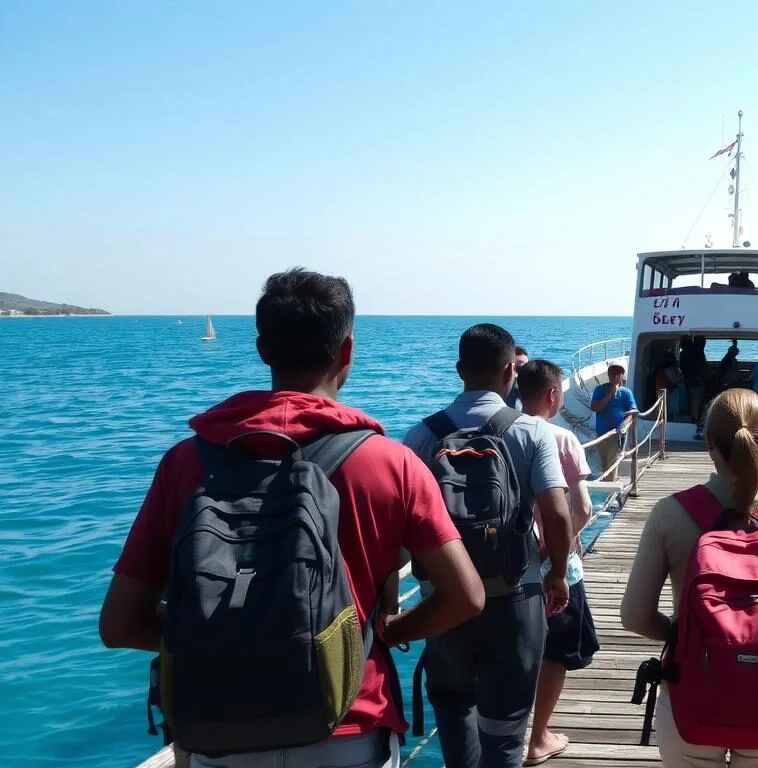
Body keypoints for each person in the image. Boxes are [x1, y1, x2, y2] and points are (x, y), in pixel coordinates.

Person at [99, 268, 486, 768]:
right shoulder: (391, 463)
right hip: (350, 727)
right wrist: (386, 633)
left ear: (262, 350)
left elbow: (119, 624)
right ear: (347, 350)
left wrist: (234, 639)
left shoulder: (185, 462)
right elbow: (466, 596)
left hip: (221, 733)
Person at [620, 388, 758, 768]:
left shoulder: (670, 514)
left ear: (708, 441)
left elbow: (634, 616)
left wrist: (698, 633)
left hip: (690, 696)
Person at [404, 324, 573, 768]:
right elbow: (557, 513)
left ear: (459, 370)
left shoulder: (421, 437)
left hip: (444, 602)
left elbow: (401, 529)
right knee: (506, 724)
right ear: (508, 374)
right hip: (515, 596)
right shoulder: (531, 433)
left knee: (453, 704)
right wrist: (557, 573)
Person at [515, 360, 600, 767]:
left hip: (510, 568)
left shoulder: (502, 432)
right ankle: (537, 738)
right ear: (552, 394)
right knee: (555, 653)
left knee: (515, 652)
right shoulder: (562, 439)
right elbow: (580, 508)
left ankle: (507, 733)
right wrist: (555, 550)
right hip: (556, 569)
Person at [589, 363, 638, 478]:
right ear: (608, 375)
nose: (616, 376)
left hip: (617, 436)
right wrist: (609, 395)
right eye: (613, 374)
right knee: (604, 467)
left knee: (611, 468)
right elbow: (595, 407)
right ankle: (608, 487)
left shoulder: (625, 392)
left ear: (622, 376)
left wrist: (624, 424)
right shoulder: (600, 390)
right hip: (601, 435)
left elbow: (634, 411)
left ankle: (611, 491)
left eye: (618, 374)